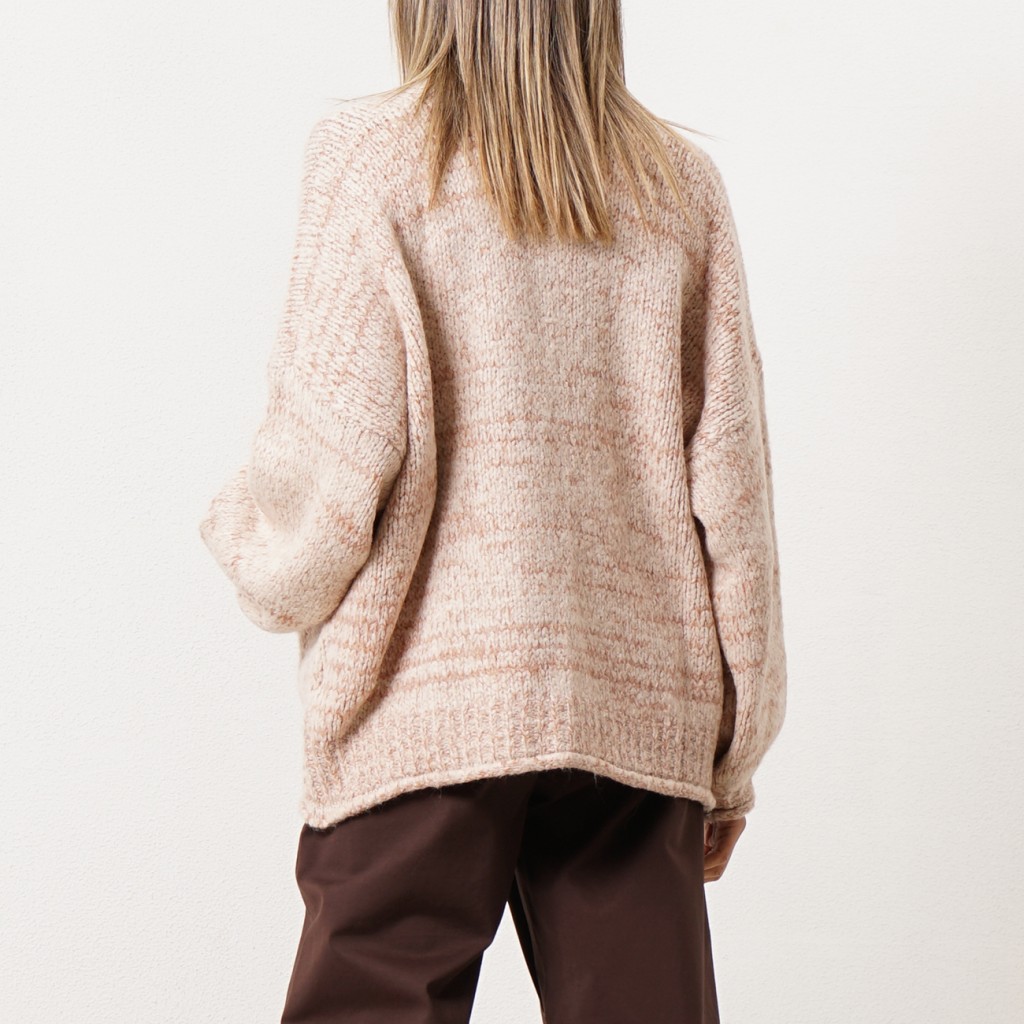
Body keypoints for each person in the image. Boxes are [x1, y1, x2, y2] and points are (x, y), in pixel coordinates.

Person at [198, 1, 787, 1020]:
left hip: (417, 708)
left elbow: (325, 480)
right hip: (631, 716)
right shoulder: (679, 189)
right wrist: (732, 756)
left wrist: (245, 536)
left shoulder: (373, 162)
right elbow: (732, 501)